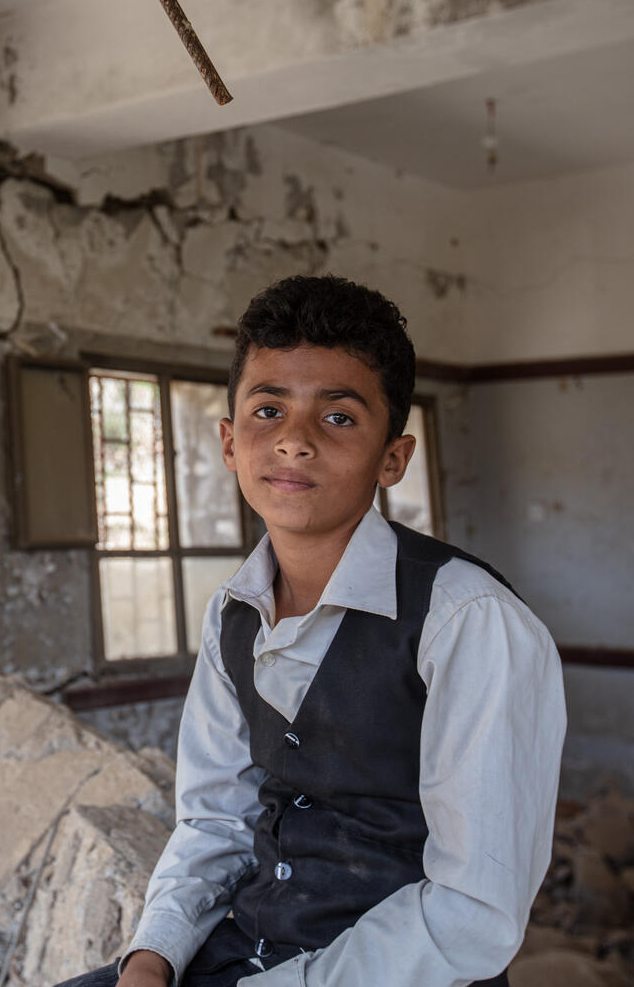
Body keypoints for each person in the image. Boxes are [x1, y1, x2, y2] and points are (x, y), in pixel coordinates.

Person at [56, 275, 566, 987]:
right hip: (245, 955)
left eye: (339, 418)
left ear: (394, 457)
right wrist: (153, 956)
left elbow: (473, 911)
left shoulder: (468, 622)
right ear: (230, 443)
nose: (294, 442)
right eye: (269, 410)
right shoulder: (232, 614)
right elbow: (216, 821)